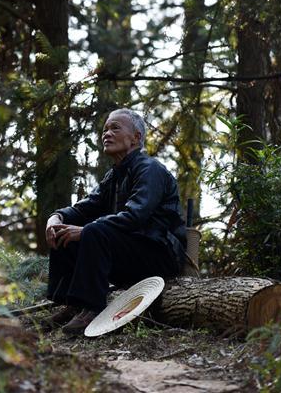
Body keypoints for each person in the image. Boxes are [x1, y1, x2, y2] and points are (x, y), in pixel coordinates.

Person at [43, 108, 187, 335]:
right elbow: (84, 207)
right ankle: (72, 304)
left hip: (158, 254)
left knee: (93, 230)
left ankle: (92, 307)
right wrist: (56, 217)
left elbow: (135, 216)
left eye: (115, 128)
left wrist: (86, 230)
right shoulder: (115, 175)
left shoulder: (150, 170)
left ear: (136, 138)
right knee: (66, 230)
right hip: (129, 253)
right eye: (105, 129)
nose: (106, 134)